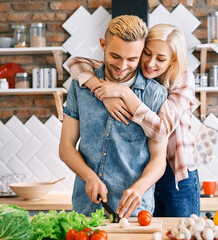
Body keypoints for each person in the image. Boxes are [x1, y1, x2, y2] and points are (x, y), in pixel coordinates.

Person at [66, 23, 201, 217]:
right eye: (147, 53)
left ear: (172, 61)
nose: (150, 63)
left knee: (180, 233)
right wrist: (100, 90)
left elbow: (161, 130)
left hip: (176, 174)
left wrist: (123, 92)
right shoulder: (124, 65)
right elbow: (76, 64)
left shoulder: (181, 80)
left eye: (160, 59)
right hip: (147, 172)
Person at [59, 15, 168, 219]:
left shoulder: (155, 94)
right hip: (85, 207)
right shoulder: (80, 86)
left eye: (132, 59)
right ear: (103, 45)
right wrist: (89, 177)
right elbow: (66, 147)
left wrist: (140, 188)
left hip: (134, 211)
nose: (122, 66)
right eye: (116, 56)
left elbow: (158, 159)